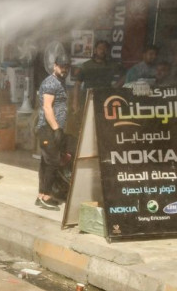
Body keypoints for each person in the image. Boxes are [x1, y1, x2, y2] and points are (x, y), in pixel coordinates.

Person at [35, 54, 71, 211]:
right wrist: (56, 128)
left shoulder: (60, 82)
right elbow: (47, 107)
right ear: (54, 66)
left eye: (66, 67)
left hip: (52, 129)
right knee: (52, 162)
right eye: (62, 66)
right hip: (47, 129)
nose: (64, 70)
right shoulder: (51, 83)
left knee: (46, 162)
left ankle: (41, 196)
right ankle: (46, 196)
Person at [72, 40, 123, 114]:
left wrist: (116, 86)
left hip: (107, 100)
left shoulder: (112, 65)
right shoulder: (86, 66)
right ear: (95, 50)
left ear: (107, 51)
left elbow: (126, 74)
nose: (102, 50)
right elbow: (77, 84)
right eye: (100, 48)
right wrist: (75, 101)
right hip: (90, 99)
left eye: (105, 49)